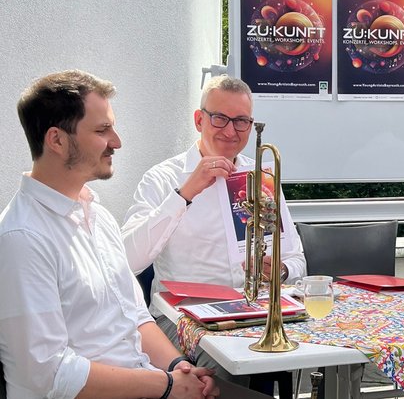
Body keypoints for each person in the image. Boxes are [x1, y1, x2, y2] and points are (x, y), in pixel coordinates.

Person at [0, 70, 219, 398]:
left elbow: (136, 317)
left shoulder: (97, 217)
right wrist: (167, 385)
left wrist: (179, 369)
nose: (117, 141)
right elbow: (48, 374)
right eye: (103, 130)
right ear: (57, 140)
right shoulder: (22, 238)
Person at [121, 75, 306, 388]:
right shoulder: (163, 178)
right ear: (199, 120)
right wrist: (185, 194)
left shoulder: (260, 175)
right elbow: (127, 259)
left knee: (321, 349)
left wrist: (281, 269)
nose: (231, 131)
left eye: (242, 121)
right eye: (220, 119)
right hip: (183, 319)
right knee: (228, 371)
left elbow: (297, 259)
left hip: (253, 313)